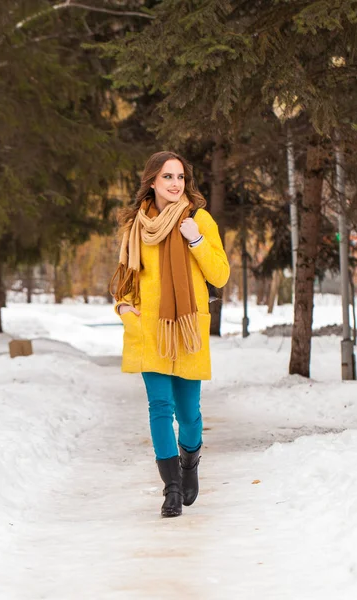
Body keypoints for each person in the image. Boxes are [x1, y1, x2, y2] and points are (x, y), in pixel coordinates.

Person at [110, 151, 230, 518]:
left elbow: (220, 275)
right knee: (160, 407)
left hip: (187, 329)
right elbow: (125, 282)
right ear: (152, 182)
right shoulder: (135, 227)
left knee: (189, 414)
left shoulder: (199, 219)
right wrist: (125, 309)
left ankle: (189, 461)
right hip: (150, 330)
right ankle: (172, 488)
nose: (176, 183)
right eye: (167, 177)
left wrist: (196, 241)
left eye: (180, 177)